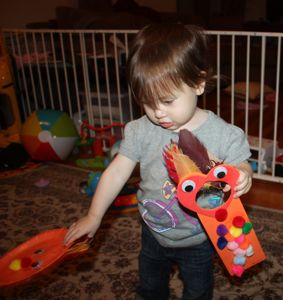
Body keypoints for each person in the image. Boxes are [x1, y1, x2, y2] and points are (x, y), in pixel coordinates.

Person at [64, 23, 253, 300]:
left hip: (198, 239)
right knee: (151, 287)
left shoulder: (223, 134)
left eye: (167, 101)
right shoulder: (140, 130)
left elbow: (241, 164)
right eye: (147, 103)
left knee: (198, 292)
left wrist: (243, 174)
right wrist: (94, 215)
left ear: (198, 83)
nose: (158, 112)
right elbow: (116, 172)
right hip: (153, 232)